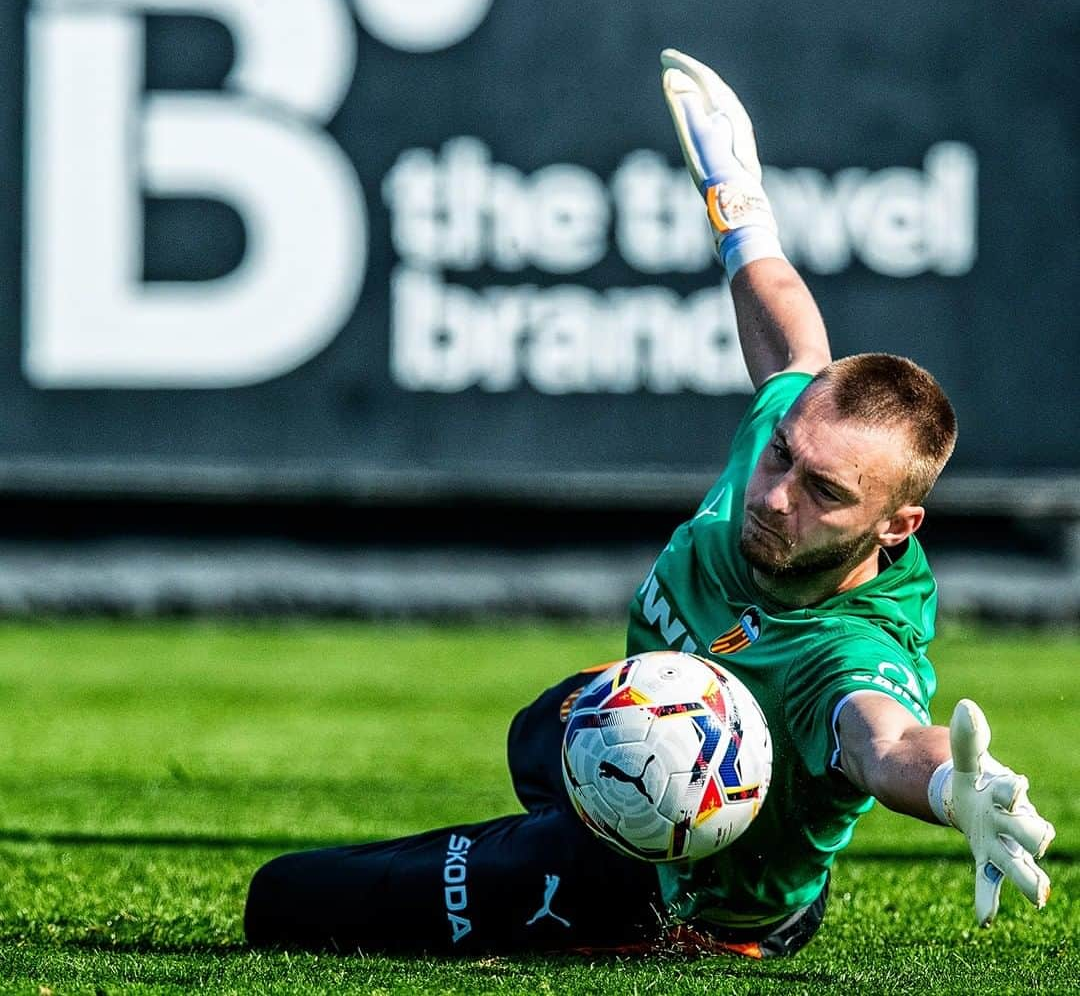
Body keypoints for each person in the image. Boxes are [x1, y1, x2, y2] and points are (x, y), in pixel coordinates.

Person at [244, 50, 1054, 958]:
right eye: (784, 454)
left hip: (673, 894)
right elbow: (788, 323)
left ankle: (678, 920)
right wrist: (736, 195)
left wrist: (952, 791)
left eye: (824, 493)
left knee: (283, 902)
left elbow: (883, 739)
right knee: (534, 731)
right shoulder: (790, 425)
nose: (776, 493)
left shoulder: (850, 653)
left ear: (896, 528)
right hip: (635, 735)